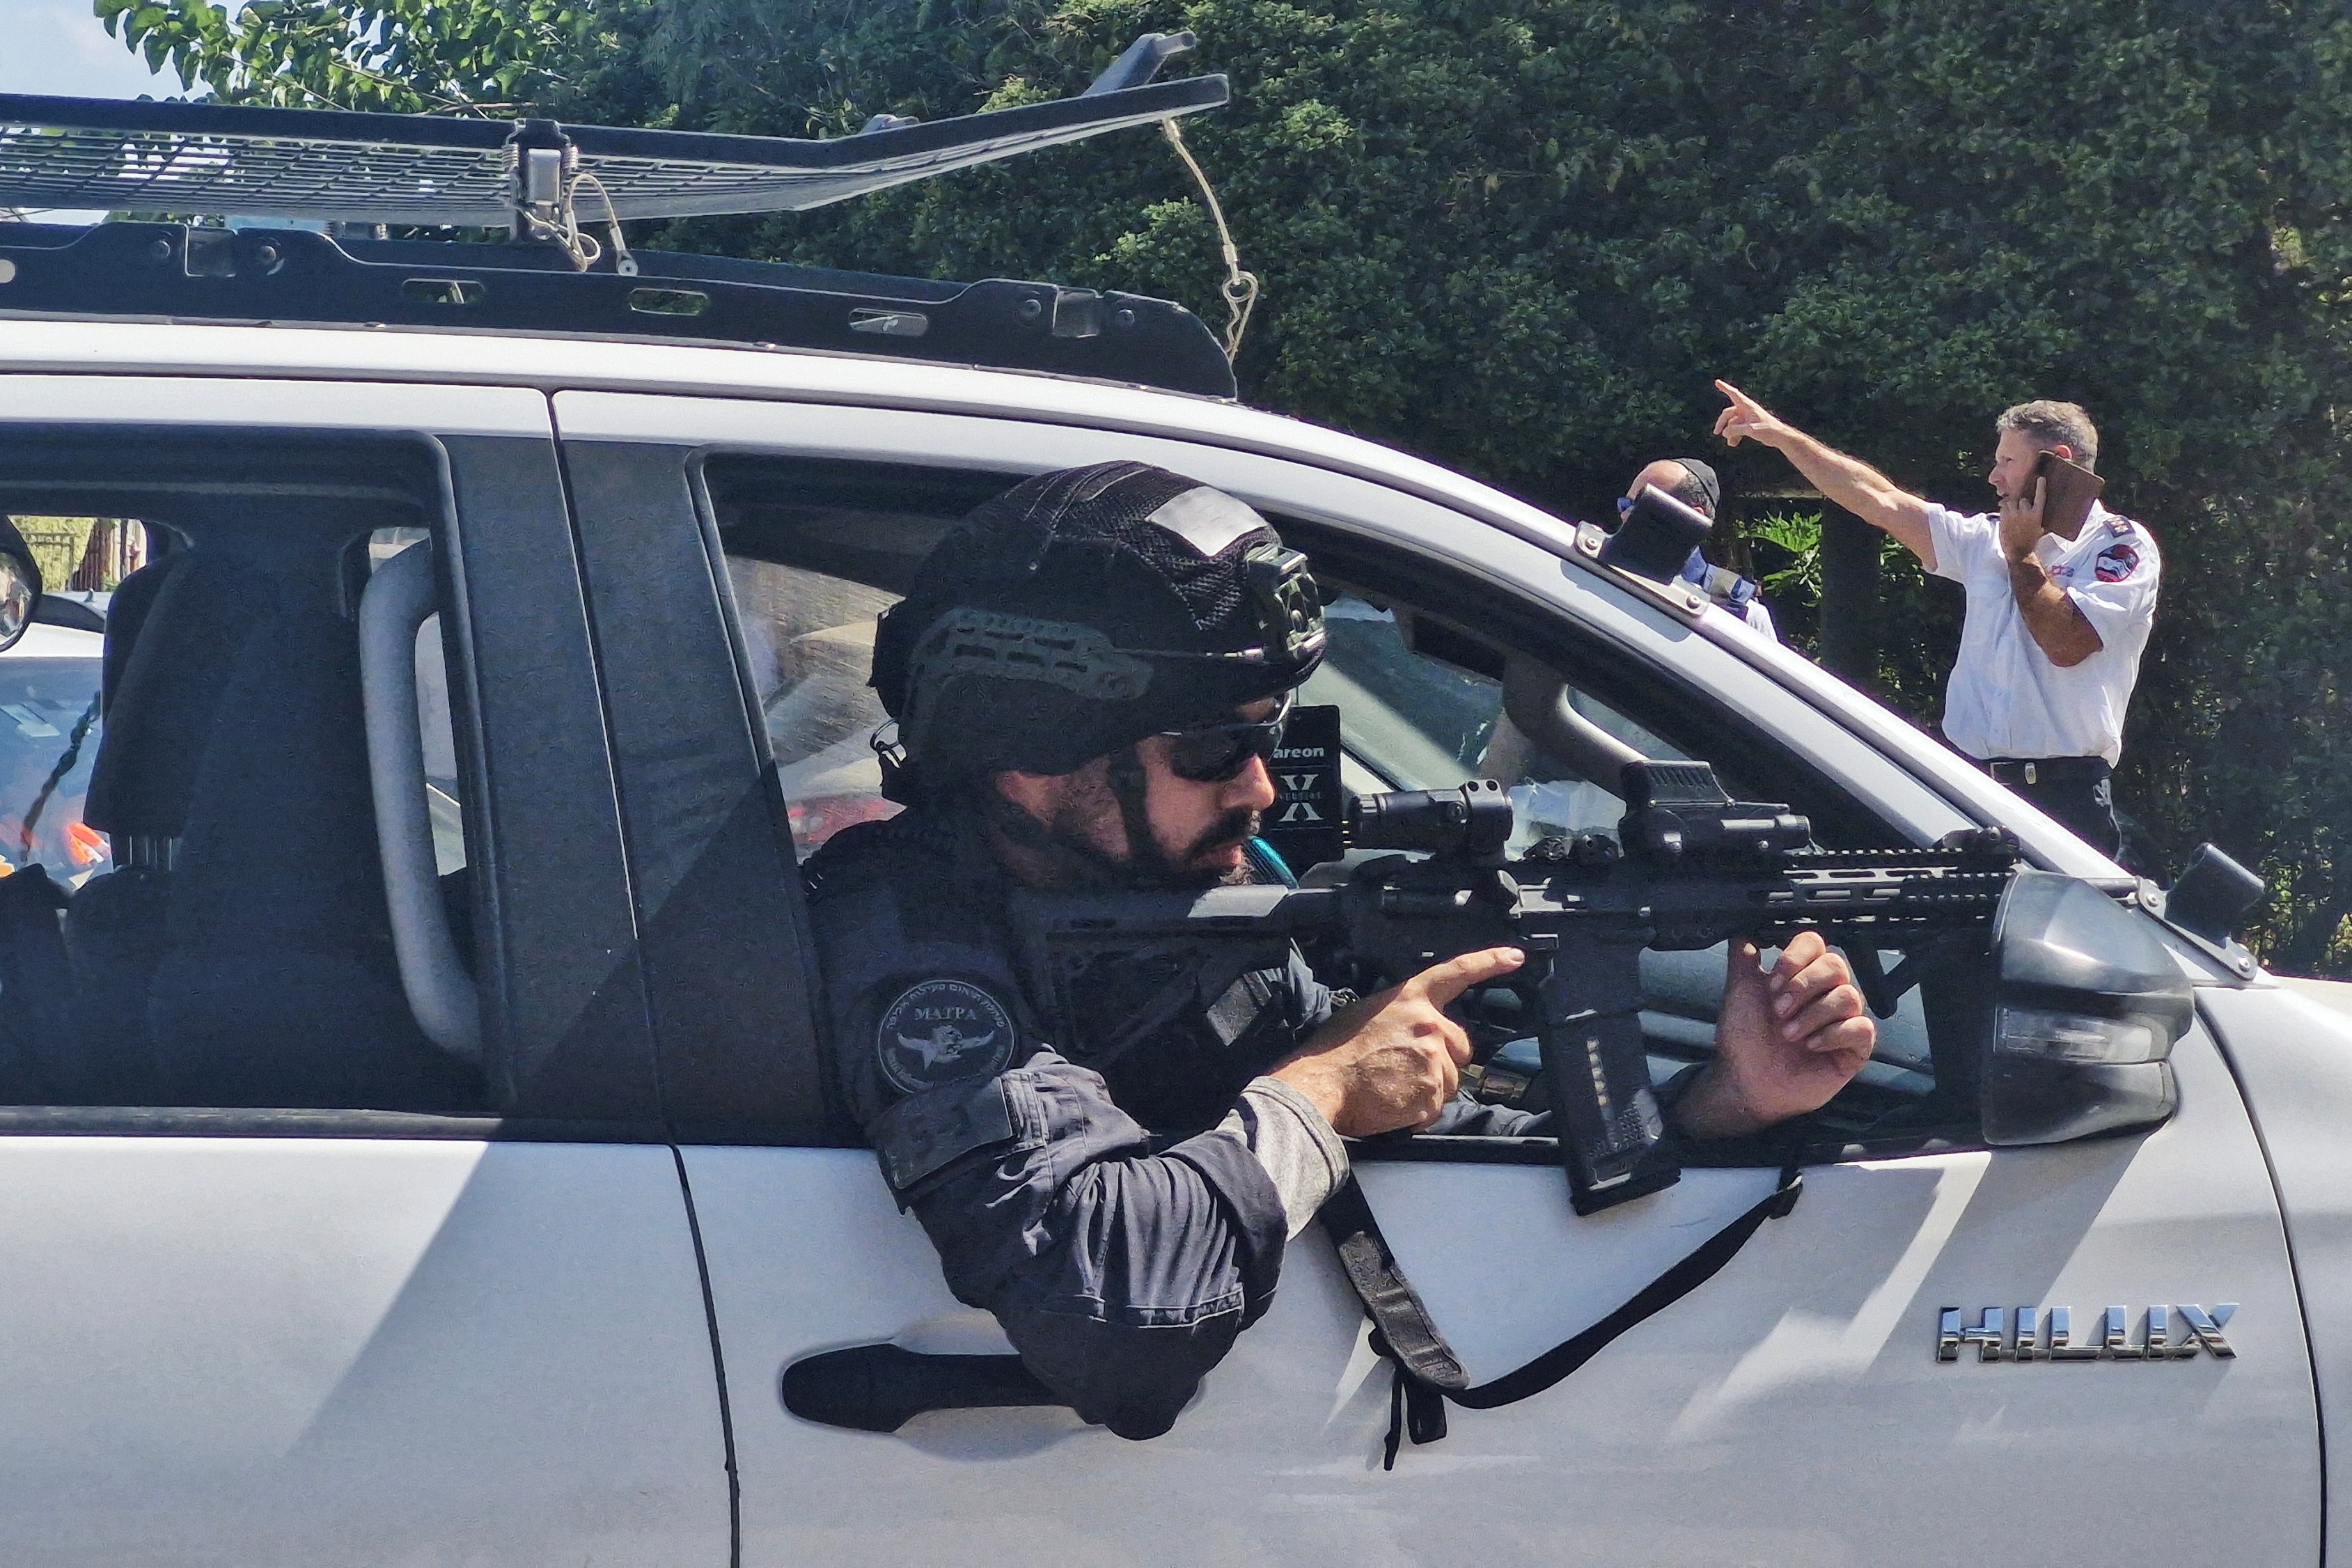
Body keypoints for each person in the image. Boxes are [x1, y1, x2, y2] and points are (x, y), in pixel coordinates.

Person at [803, 461, 1876, 1441]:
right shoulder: (910, 945)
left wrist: (1728, 1102)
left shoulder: (1178, 910)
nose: (1259, 787)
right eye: (1212, 747)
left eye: (1267, 736)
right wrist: (1319, 1092)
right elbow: (1114, 1315)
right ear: (1032, 760)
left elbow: (1434, 1145)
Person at [1713, 385, 2158, 858]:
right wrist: (1781, 436)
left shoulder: (2119, 546)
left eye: (2008, 461)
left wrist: (2022, 554)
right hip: (1970, 786)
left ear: (2057, 462)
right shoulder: (1983, 538)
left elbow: (2065, 644)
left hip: (2064, 798)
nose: (1994, 477)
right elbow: (1877, 499)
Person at [1623, 456, 1778, 639]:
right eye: (1625, 504)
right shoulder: (1600, 573)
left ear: (1690, 518)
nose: (1624, 515)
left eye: (1642, 505)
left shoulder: (1744, 612)